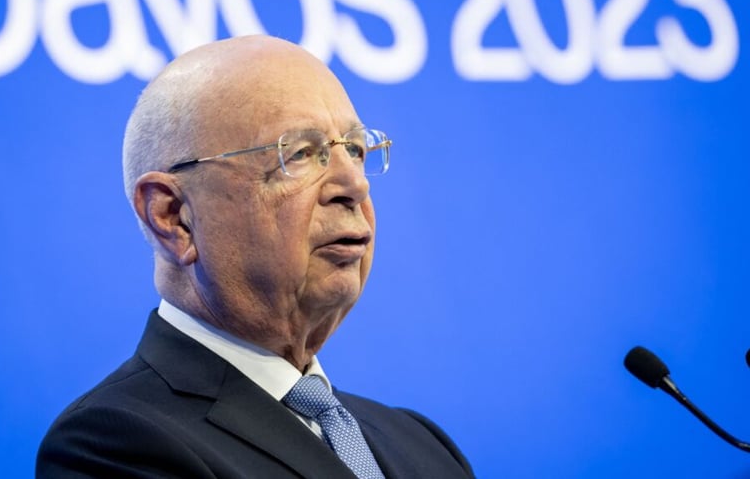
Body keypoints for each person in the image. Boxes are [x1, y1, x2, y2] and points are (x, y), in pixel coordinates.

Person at [37, 35, 475, 478]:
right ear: (172, 216)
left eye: (356, 150)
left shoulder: (424, 446)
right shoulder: (115, 444)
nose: (354, 185)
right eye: (301, 154)